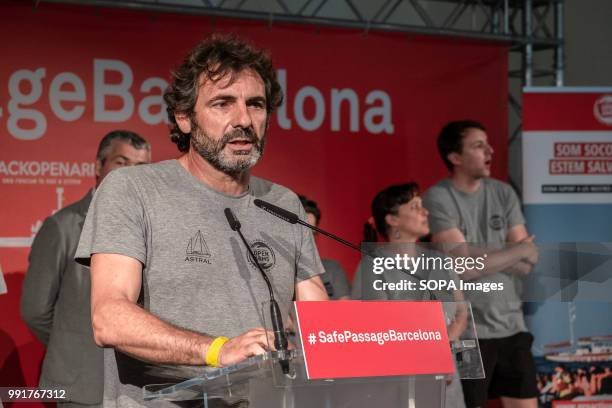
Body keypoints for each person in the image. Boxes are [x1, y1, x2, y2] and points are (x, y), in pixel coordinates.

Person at [74, 35, 328, 407]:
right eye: (223, 104)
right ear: (184, 117)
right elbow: (109, 317)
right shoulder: (133, 189)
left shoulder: (283, 202)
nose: (243, 120)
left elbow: (315, 312)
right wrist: (218, 350)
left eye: (255, 105)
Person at [20, 130, 151, 407]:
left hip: (141, 390)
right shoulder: (63, 226)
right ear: (98, 166)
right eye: (121, 163)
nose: (130, 175)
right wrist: (72, 348)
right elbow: (35, 311)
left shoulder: (152, 230)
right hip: (81, 388)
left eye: (140, 168)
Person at [423, 120, 539, 408]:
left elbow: (530, 262)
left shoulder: (503, 193)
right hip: (470, 332)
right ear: (455, 157)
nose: (490, 150)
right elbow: (461, 264)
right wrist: (516, 251)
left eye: (487, 143)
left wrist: (491, 257)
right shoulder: (438, 197)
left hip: (512, 325)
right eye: (478, 145)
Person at [351, 182, 468, 408]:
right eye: (415, 207)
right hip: (400, 380)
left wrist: (442, 349)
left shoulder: (440, 260)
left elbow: (461, 313)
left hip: (445, 376)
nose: (425, 212)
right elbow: (377, 325)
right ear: (392, 219)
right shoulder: (372, 265)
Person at [298, 194, 351, 299]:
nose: (309, 240)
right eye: (302, 232)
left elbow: (347, 312)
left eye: (312, 233)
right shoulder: (269, 276)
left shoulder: (332, 268)